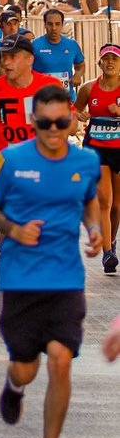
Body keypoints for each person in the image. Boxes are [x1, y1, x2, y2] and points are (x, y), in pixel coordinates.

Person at [0, 83, 102, 438]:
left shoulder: (85, 162)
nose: (53, 129)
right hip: (19, 281)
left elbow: (88, 199)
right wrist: (13, 230)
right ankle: (14, 386)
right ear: (34, 121)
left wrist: (95, 228)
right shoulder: (10, 160)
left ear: (72, 121)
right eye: (45, 122)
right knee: (26, 368)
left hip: (66, 279)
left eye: (61, 122)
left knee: (61, 361)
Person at [0, 36, 72, 156]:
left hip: (41, 162)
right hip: (5, 163)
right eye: (4, 57)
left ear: (29, 60)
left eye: (13, 57)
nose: (6, 62)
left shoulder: (51, 86)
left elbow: (72, 124)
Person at [75, 42, 120, 274]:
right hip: (96, 149)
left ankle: (111, 241)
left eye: (115, 59)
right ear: (100, 62)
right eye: (107, 59)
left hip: (119, 149)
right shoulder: (88, 88)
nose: (110, 62)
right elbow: (74, 111)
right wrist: (79, 114)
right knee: (105, 202)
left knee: (118, 206)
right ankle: (107, 254)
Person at [31, 9, 85, 98]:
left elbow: (81, 65)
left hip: (66, 98)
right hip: (42, 99)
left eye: (57, 24)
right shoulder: (35, 45)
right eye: (50, 24)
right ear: (45, 25)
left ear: (62, 24)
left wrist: (77, 75)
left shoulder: (72, 45)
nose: (54, 28)